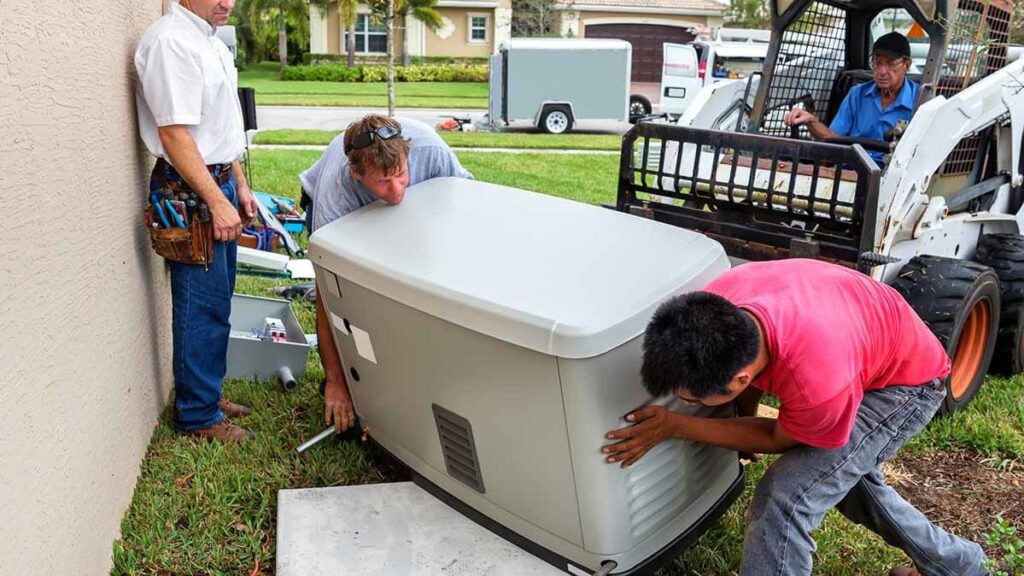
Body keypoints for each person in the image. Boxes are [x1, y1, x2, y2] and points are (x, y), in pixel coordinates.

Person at [602, 259, 988, 576]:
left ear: (738, 379)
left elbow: (777, 439)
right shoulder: (717, 306)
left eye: (690, 398)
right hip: (864, 337)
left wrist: (678, 426)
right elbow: (751, 380)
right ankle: (960, 565)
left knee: (786, 498)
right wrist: (742, 415)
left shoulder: (817, 380)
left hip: (908, 384)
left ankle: (960, 565)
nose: (684, 403)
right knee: (850, 487)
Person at [299, 114, 473, 434]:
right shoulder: (336, 191)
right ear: (356, 172)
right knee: (355, 298)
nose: (395, 191)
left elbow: (464, 211)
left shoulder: (431, 151)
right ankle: (352, 384)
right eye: (382, 181)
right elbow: (327, 293)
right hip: (346, 217)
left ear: (408, 157)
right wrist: (336, 384)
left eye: (400, 175)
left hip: (414, 213)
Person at [135, 0, 259, 442]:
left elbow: (220, 132)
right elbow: (174, 135)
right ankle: (197, 416)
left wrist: (239, 186)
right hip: (190, 191)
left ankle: (205, 393)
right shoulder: (171, 42)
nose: (227, 2)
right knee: (199, 306)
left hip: (217, 182)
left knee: (218, 303)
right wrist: (215, 200)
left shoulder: (211, 42)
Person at [784, 32, 919, 166]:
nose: (882, 71)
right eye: (877, 63)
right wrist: (811, 120)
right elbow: (833, 142)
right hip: (850, 172)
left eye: (890, 64)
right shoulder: (857, 94)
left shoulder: (921, 99)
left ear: (906, 65)